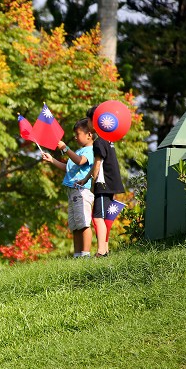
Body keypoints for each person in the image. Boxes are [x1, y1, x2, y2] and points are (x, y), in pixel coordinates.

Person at [42, 118, 95, 258]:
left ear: (89, 134)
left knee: (83, 223)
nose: (75, 137)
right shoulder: (79, 150)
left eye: (78, 134)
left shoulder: (91, 150)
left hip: (82, 191)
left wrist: (65, 148)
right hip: (72, 191)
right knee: (75, 225)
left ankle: (86, 254)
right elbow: (68, 168)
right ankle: (77, 255)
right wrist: (52, 160)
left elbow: (80, 161)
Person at [83, 106, 125, 257]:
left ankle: (101, 251)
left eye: (88, 120)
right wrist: (85, 179)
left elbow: (97, 164)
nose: (87, 123)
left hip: (103, 185)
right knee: (105, 217)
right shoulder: (108, 141)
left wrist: (92, 182)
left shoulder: (98, 142)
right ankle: (105, 249)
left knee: (97, 217)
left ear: (95, 122)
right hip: (111, 185)